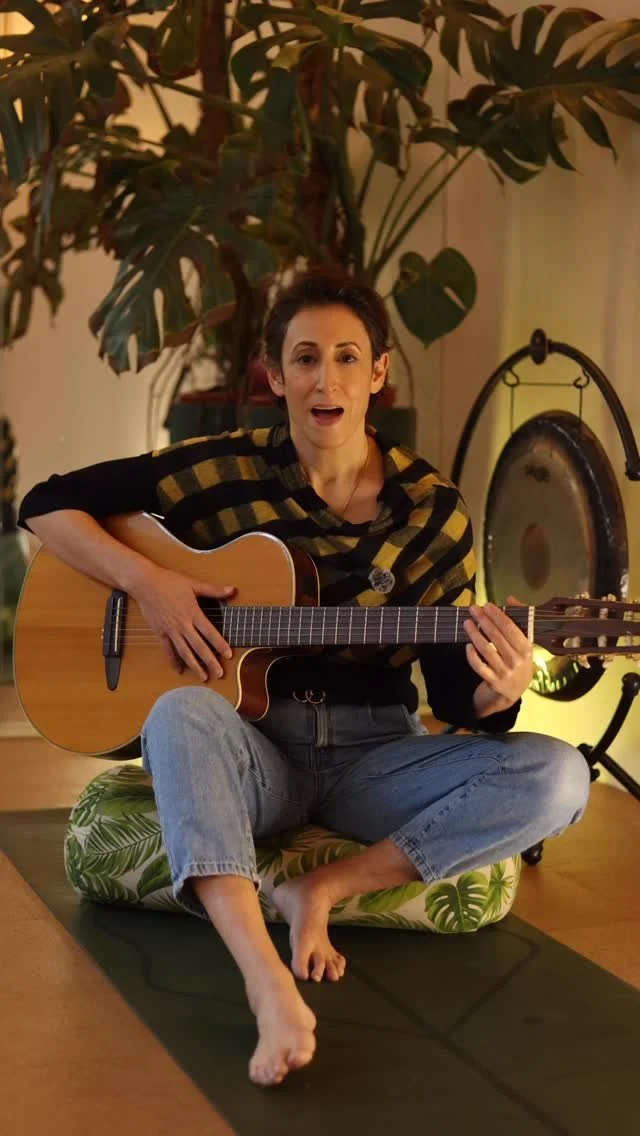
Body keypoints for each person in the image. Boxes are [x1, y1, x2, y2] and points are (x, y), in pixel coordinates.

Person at [18, 267, 590, 1088]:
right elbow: (46, 502)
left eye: (348, 357)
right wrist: (152, 584)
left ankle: (320, 890)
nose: (328, 380)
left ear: (378, 373)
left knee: (560, 775)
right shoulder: (221, 469)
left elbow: (454, 695)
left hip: (376, 760)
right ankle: (264, 978)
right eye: (306, 358)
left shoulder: (434, 512)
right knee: (177, 712)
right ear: (274, 375)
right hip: (257, 751)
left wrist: (499, 691)